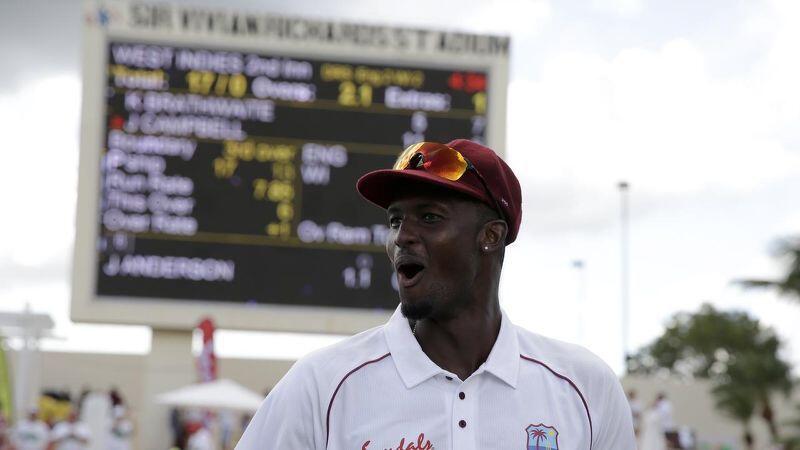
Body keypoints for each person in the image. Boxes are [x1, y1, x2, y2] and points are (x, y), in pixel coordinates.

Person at [236, 140, 636, 449]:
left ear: (491, 236)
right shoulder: (321, 385)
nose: (402, 237)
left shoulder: (585, 387)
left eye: (429, 217)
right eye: (396, 220)